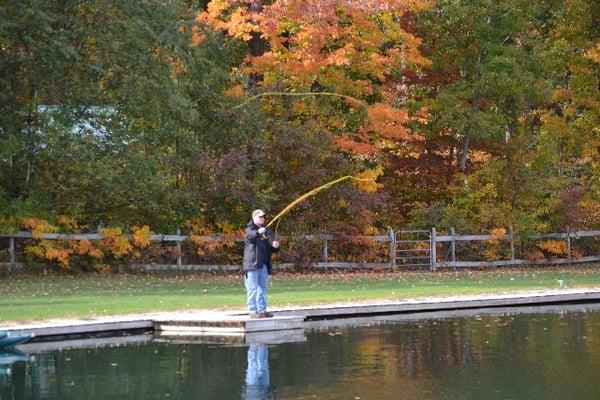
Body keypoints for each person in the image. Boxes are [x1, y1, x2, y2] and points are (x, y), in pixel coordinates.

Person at [243, 209, 280, 318]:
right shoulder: (249, 229)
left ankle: (262, 310)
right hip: (252, 264)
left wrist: (275, 246)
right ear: (254, 218)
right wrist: (258, 232)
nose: (263, 218)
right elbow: (250, 237)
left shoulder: (267, 231)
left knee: (263, 288)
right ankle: (253, 311)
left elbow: (270, 248)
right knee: (252, 288)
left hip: (263, 264)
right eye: (260, 217)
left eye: (263, 216)